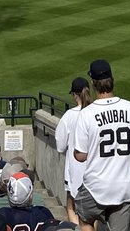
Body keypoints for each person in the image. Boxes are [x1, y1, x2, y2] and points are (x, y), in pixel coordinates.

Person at [72, 59, 130, 231]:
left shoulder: (87, 114)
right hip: (125, 188)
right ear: (112, 79)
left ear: (93, 83)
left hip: (95, 187)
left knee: (84, 216)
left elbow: (80, 155)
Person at [54, 78, 90, 225]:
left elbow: (60, 146)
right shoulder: (95, 112)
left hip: (75, 170)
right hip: (95, 171)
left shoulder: (69, 116)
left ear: (74, 95)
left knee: (71, 205)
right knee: (92, 212)